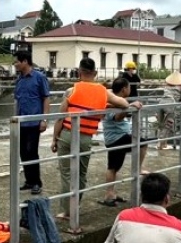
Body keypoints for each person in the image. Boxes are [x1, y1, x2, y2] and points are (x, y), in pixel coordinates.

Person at [50, 57, 132, 229]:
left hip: (66, 134)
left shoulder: (71, 90)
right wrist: (106, 104)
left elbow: (60, 117)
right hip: (86, 137)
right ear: (95, 73)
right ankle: (75, 206)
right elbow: (124, 103)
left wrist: (54, 139)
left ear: (79, 72)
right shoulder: (103, 92)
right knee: (81, 173)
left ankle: (66, 211)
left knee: (66, 173)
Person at [99, 77, 149, 206]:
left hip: (119, 137)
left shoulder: (118, 101)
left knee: (115, 167)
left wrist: (129, 106)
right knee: (141, 143)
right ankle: (109, 194)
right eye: (129, 87)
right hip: (115, 138)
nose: (130, 90)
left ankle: (111, 194)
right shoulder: (114, 102)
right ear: (124, 89)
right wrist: (129, 107)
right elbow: (117, 117)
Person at [13, 50, 51, 194]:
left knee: (32, 152)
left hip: (34, 122)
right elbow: (17, 100)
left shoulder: (39, 78)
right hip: (21, 122)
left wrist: (44, 119)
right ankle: (29, 181)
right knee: (23, 152)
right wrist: (14, 119)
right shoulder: (19, 80)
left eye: (17, 62)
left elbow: (46, 98)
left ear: (25, 62)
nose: (15, 65)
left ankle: (37, 182)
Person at [156, 71, 181, 150]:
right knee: (168, 125)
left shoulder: (167, 86)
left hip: (161, 103)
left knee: (160, 125)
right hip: (170, 104)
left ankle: (161, 143)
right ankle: (161, 144)